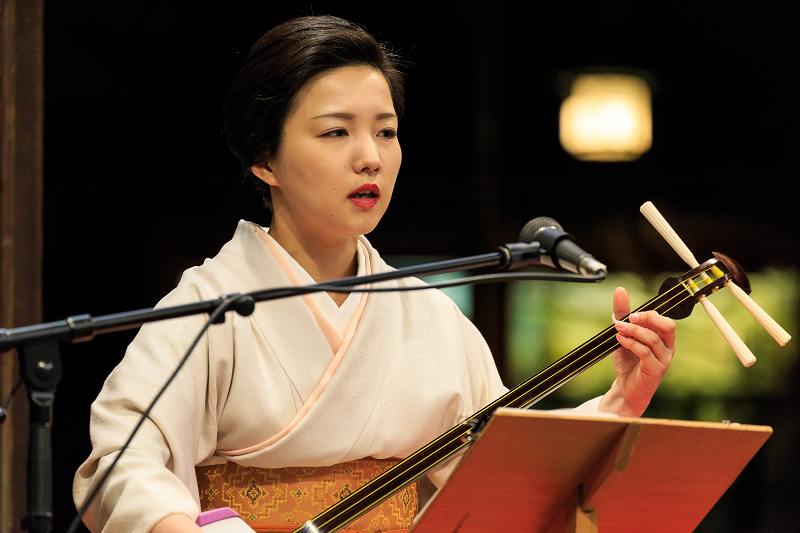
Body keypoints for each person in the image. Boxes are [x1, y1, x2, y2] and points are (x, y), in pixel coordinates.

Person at [73, 15, 675, 533]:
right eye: (337, 131)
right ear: (265, 158)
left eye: (386, 131)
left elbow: (497, 470)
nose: (372, 155)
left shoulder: (428, 317)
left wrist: (617, 401)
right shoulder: (207, 307)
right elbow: (125, 462)